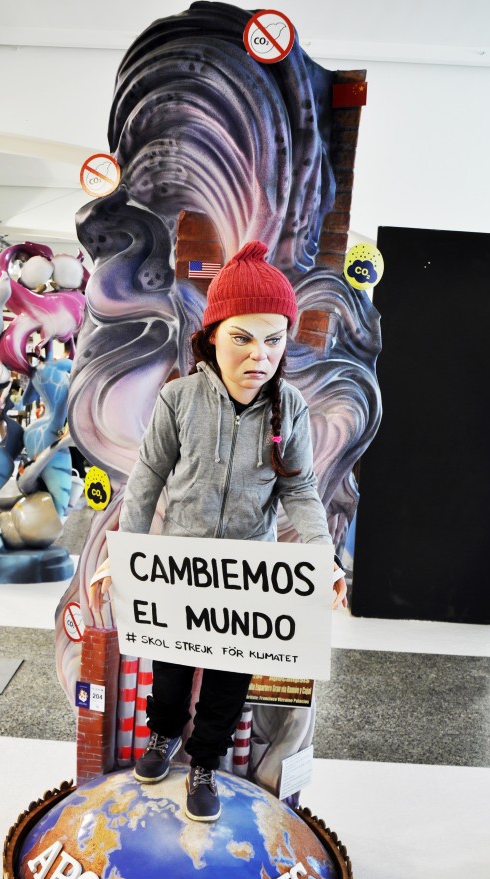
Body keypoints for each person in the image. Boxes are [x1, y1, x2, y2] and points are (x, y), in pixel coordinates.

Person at [89, 241, 346, 823]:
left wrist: (323, 557)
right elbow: (147, 478)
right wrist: (124, 551)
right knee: (171, 666)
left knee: (229, 677)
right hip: (178, 570)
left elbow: (301, 490)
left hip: (246, 578)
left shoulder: (290, 407)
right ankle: (163, 736)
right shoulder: (179, 399)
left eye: (274, 340)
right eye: (243, 338)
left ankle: (205, 761)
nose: (260, 354)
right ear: (213, 335)